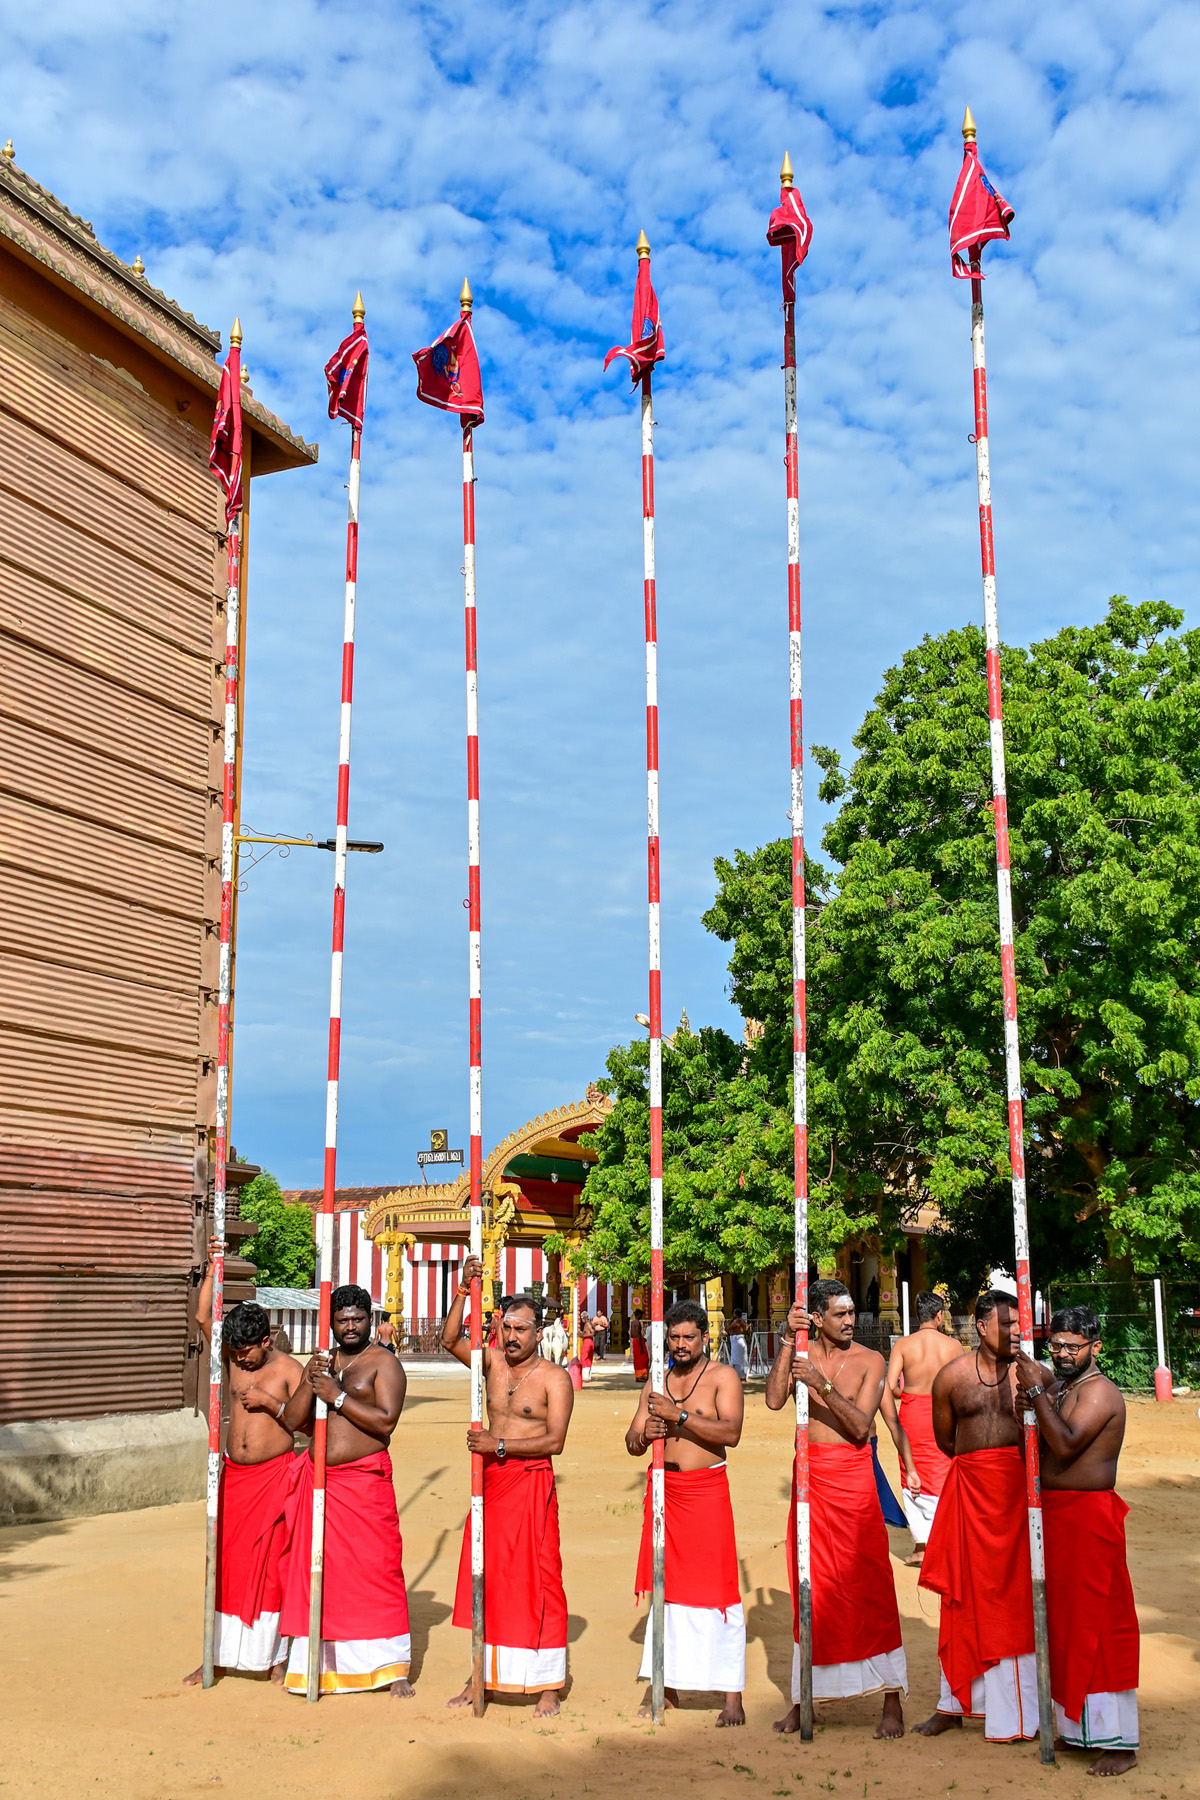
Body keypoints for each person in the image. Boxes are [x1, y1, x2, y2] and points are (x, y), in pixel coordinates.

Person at [766, 1278, 907, 1739]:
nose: (850, 1321)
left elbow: (861, 1426)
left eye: (852, 1313)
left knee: (870, 1582)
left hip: (853, 1481)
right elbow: (772, 1399)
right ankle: (804, 1697)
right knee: (809, 1583)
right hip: (810, 1480)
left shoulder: (871, 1360)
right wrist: (788, 1341)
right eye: (841, 1315)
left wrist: (821, 1384)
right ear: (818, 1319)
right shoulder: (802, 1353)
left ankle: (891, 1700)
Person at [441, 1261, 574, 1714]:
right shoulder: (492, 1361)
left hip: (530, 1483)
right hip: (491, 1484)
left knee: (541, 1578)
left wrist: (497, 1444)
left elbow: (554, 1441)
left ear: (540, 1332)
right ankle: (481, 1674)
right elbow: (448, 1339)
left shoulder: (556, 1379)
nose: (512, 1336)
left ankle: (548, 1683)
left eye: (521, 1328)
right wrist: (463, 1287)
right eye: (506, 1327)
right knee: (486, 1573)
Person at [1015, 1305, 1139, 1776]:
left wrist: (1035, 1392)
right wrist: (1032, 1401)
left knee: (1101, 1622)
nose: (1064, 1353)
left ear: (1095, 1347)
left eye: (1073, 1346)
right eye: (1057, 1345)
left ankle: (1120, 1741)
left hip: (1089, 1517)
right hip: (1058, 1517)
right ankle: (1078, 1727)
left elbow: (1066, 1443)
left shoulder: (1101, 1392)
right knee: (1065, 1623)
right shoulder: (1063, 1386)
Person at [914, 1289, 1038, 1744]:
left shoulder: (1032, 1375)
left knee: (1016, 1598)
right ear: (981, 1326)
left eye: (1016, 1325)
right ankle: (953, 1704)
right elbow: (946, 1440)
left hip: (1016, 1497)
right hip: (968, 1493)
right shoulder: (951, 1377)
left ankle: (1020, 1713)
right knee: (960, 1595)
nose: (1013, 1333)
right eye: (1005, 1325)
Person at [278, 1283, 413, 1697]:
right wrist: (310, 1380)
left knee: (377, 1570)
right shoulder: (322, 1362)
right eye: (342, 1320)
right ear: (331, 1323)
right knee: (318, 1571)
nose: (350, 1326)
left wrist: (337, 1398)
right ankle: (316, 1664)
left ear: (370, 1320)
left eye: (357, 1319)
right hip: (320, 1482)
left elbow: (385, 1422)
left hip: (363, 1482)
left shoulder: (383, 1364)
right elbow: (293, 1421)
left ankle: (390, 1670)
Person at [183, 1237, 302, 1685]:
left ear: (266, 1341)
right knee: (224, 1564)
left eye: (246, 1352)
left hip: (275, 1479)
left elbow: (306, 1425)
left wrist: (270, 1402)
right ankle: (214, 1654)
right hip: (234, 1478)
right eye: (233, 1353)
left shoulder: (291, 1371)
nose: (240, 1359)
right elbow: (201, 1316)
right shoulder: (234, 1362)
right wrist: (217, 1263)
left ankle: (275, 1658)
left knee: (274, 1567)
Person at [626, 1298, 747, 1727]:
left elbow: (730, 1432)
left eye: (688, 1337)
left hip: (706, 1492)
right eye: (674, 1337)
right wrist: (646, 1433)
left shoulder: (722, 1377)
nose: (680, 1345)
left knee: (719, 1590)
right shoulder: (655, 1381)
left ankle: (731, 1695)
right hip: (664, 1493)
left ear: (704, 1338)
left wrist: (678, 1417)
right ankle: (667, 1684)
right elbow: (631, 1438)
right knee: (666, 1589)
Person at [879, 1291, 965, 1564]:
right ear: (939, 1315)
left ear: (917, 1316)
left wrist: (907, 1390)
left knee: (911, 1470)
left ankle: (921, 1545)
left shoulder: (904, 1345)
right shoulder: (953, 1346)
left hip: (913, 1413)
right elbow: (960, 1386)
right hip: (943, 1413)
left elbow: (891, 1386)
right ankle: (947, 1539)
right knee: (946, 1469)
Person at [727, 1313, 749, 1383]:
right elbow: (747, 1328)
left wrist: (731, 1320)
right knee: (739, 1359)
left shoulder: (737, 1322)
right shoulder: (742, 1321)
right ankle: (741, 1376)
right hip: (739, 1340)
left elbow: (728, 1328)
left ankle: (738, 1377)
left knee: (736, 1359)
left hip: (737, 1340)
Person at [630, 1307, 649, 1384]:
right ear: (639, 1315)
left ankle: (638, 1376)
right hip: (638, 1341)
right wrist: (641, 1345)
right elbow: (637, 1334)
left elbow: (632, 1334)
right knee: (644, 1358)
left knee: (637, 1359)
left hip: (635, 1340)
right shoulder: (637, 1323)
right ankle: (642, 1375)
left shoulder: (632, 1322)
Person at [579, 1311, 595, 1383]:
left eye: (582, 1317)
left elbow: (592, 1333)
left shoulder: (587, 1324)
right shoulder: (588, 1323)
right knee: (588, 1358)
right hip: (589, 1341)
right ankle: (588, 1375)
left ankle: (585, 1376)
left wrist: (583, 1335)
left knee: (584, 1357)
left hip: (587, 1341)